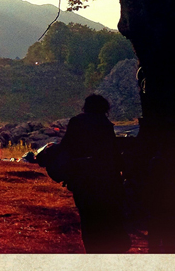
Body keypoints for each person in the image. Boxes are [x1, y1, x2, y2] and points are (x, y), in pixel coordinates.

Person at [58, 94, 131, 253]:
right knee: (105, 217)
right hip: (106, 179)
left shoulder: (76, 122)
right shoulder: (105, 124)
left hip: (82, 179)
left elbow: (66, 148)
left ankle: (92, 252)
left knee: (88, 219)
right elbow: (112, 153)